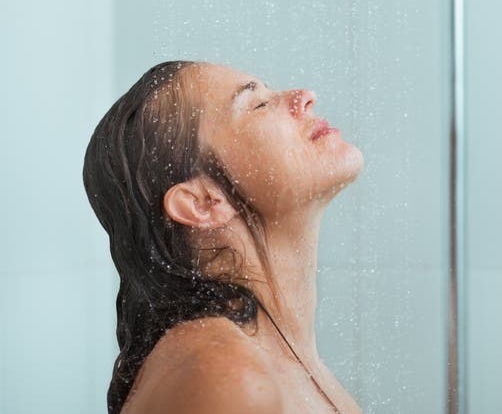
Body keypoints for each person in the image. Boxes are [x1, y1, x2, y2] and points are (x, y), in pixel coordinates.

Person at [83, 59, 364, 413]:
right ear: (202, 202)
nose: (305, 97)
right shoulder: (229, 377)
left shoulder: (284, 364)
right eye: (258, 104)